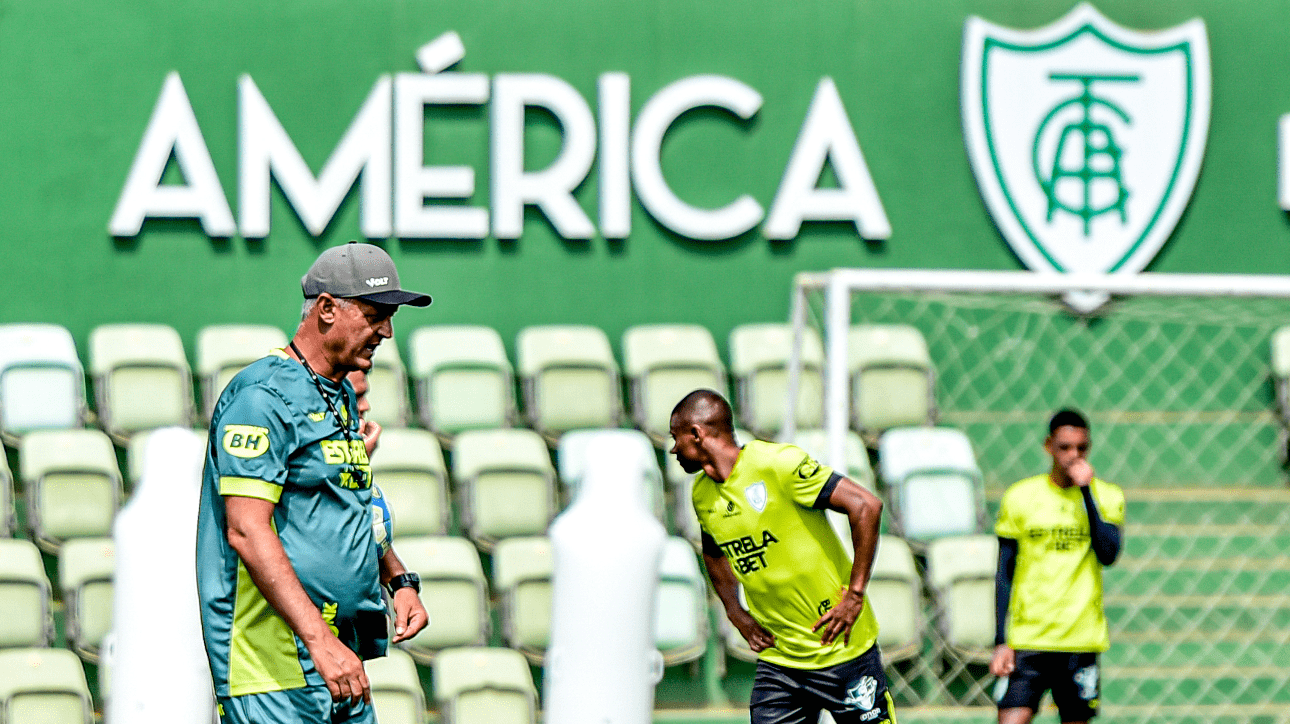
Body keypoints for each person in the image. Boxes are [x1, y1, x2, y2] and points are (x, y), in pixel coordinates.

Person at [197, 241, 430, 724]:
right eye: (374, 314)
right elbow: (246, 529)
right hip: (275, 671)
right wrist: (320, 643)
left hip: (339, 661)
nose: (386, 331)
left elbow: (347, 500)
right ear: (326, 309)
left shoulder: (341, 393)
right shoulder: (260, 398)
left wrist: (397, 578)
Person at [670, 389, 894, 724]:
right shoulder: (702, 495)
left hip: (842, 649)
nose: (673, 449)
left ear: (698, 435)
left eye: (676, 438)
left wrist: (855, 594)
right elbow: (714, 553)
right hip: (781, 660)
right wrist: (735, 611)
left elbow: (865, 506)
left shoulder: (777, 464)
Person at [990, 409, 1125, 724]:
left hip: (1080, 637)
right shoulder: (1020, 497)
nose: (1073, 455)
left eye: (1081, 448)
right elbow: (1003, 572)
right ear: (1049, 446)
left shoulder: (1107, 496)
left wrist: (1086, 493)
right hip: (1029, 638)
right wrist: (1000, 640)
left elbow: (1108, 554)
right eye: (1065, 447)